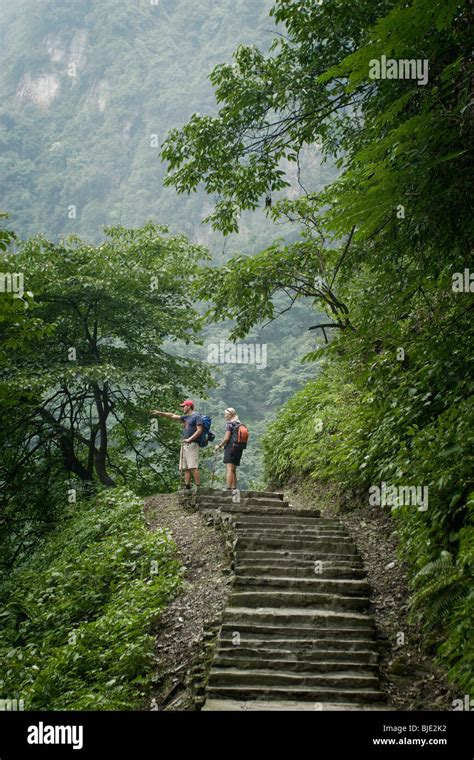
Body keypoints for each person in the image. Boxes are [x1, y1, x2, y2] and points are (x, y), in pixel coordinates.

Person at [150, 400, 203, 489]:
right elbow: (172, 416)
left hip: (192, 444)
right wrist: (160, 413)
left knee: (193, 466)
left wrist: (190, 439)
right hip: (185, 444)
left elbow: (199, 430)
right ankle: (187, 486)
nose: (182, 408)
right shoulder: (186, 417)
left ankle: (199, 487)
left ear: (189, 406)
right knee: (185, 467)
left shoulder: (196, 417)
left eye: (183, 406)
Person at [215, 407, 245, 491]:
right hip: (239, 448)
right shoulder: (239, 423)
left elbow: (226, 438)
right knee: (233, 469)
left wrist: (219, 446)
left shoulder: (229, 424)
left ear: (230, 414)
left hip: (231, 448)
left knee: (229, 468)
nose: (225, 416)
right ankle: (234, 488)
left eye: (225, 414)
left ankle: (228, 488)